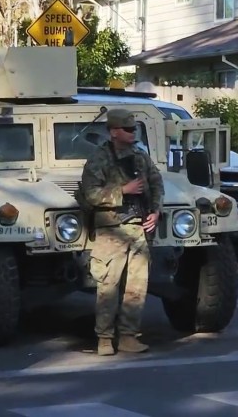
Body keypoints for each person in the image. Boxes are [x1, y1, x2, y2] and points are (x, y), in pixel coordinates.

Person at [78, 109, 164, 356]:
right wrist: (122, 190)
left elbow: (157, 184)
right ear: (114, 131)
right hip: (112, 230)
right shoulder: (99, 159)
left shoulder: (141, 157)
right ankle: (104, 338)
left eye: (134, 129)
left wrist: (155, 211)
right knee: (108, 285)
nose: (132, 133)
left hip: (138, 228)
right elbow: (91, 194)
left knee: (137, 287)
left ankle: (128, 336)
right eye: (127, 129)